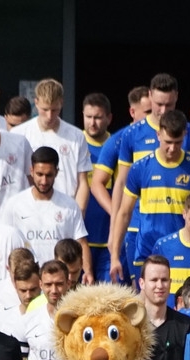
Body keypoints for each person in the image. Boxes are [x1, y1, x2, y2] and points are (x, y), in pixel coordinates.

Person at [109, 110, 190, 285]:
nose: (172, 148)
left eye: (178, 143)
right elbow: (124, 212)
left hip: (182, 248)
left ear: (185, 136)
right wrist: (114, 256)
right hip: (147, 248)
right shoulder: (140, 168)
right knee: (145, 298)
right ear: (158, 135)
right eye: (168, 142)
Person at [89, 87, 151, 282]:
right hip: (127, 228)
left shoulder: (165, 138)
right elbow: (97, 183)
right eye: (148, 111)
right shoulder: (119, 139)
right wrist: (117, 214)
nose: (155, 116)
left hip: (155, 224)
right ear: (132, 112)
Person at [0, 146, 91, 275]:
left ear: (56, 172)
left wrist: (88, 272)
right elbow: (4, 242)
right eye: (39, 174)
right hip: (27, 278)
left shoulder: (70, 205)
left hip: (58, 279)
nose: (44, 181)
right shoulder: (14, 204)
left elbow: (80, 242)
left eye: (49, 175)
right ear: (31, 171)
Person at [11, 79, 92, 214]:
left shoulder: (76, 136)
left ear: (62, 103)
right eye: (45, 110)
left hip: (65, 211)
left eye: (55, 110)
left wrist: (79, 214)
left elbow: (83, 181)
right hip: (30, 212)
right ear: (36, 102)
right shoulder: (19, 134)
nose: (49, 116)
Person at [23, 260, 71, 360]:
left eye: (59, 284)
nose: (54, 290)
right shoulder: (28, 320)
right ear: (40, 284)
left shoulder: (79, 321)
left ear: (68, 284)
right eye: (48, 284)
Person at [81, 93, 114, 282]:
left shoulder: (117, 145)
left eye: (98, 117)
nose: (92, 122)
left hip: (108, 237)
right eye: (88, 117)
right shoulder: (76, 143)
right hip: (80, 237)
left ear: (109, 118)